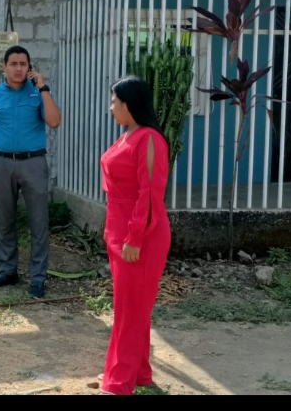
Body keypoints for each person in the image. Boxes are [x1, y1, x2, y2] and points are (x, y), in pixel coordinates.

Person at [98, 76, 171, 395]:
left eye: (114, 101)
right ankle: (140, 373)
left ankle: (118, 383)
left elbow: (150, 194)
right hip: (121, 232)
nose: (111, 107)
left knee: (130, 312)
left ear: (129, 104)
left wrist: (135, 238)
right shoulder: (128, 134)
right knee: (132, 307)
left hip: (141, 236)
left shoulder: (149, 138)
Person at [0, 45, 61, 299]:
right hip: (2, 163)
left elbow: (54, 121)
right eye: (13, 64)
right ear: (4, 66)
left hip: (33, 163)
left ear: (29, 67)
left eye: (23, 64)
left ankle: (38, 278)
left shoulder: (37, 93)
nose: (18, 69)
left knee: (39, 223)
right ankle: (7, 271)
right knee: (5, 220)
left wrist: (43, 87)